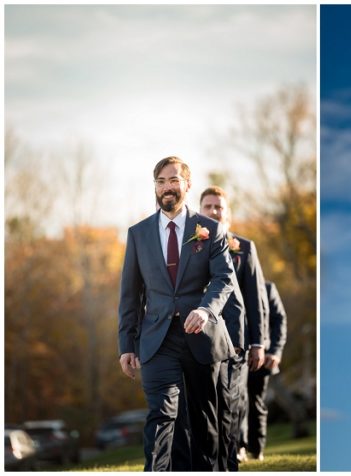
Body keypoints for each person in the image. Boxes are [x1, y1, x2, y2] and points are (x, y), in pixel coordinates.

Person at [118, 156, 235, 471]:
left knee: (203, 422)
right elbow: (130, 294)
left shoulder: (210, 230)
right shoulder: (138, 234)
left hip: (201, 339)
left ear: (187, 184)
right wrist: (127, 345)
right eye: (160, 182)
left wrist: (205, 310)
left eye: (173, 180)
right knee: (161, 415)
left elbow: (224, 279)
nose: (166, 188)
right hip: (157, 341)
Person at [198, 186, 268, 470]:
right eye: (208, 207)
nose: (214, 211)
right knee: (206, 406)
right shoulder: (193, 245)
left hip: (235, 340)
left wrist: (258, 343)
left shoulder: (245, 248)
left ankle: (229, 464)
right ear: (199, 212)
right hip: (200, 339)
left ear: (227, 213)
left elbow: (255, 299)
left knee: (231, 404)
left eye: (219, 207)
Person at [242, 281, 288, 461]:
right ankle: (239, 447)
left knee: (256, 402)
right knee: (236, 402)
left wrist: (275, 351)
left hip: (263, 356)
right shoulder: (231, 285)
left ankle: (257, 449)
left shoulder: (267, 288)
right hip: (237, 355)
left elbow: (279, 319)